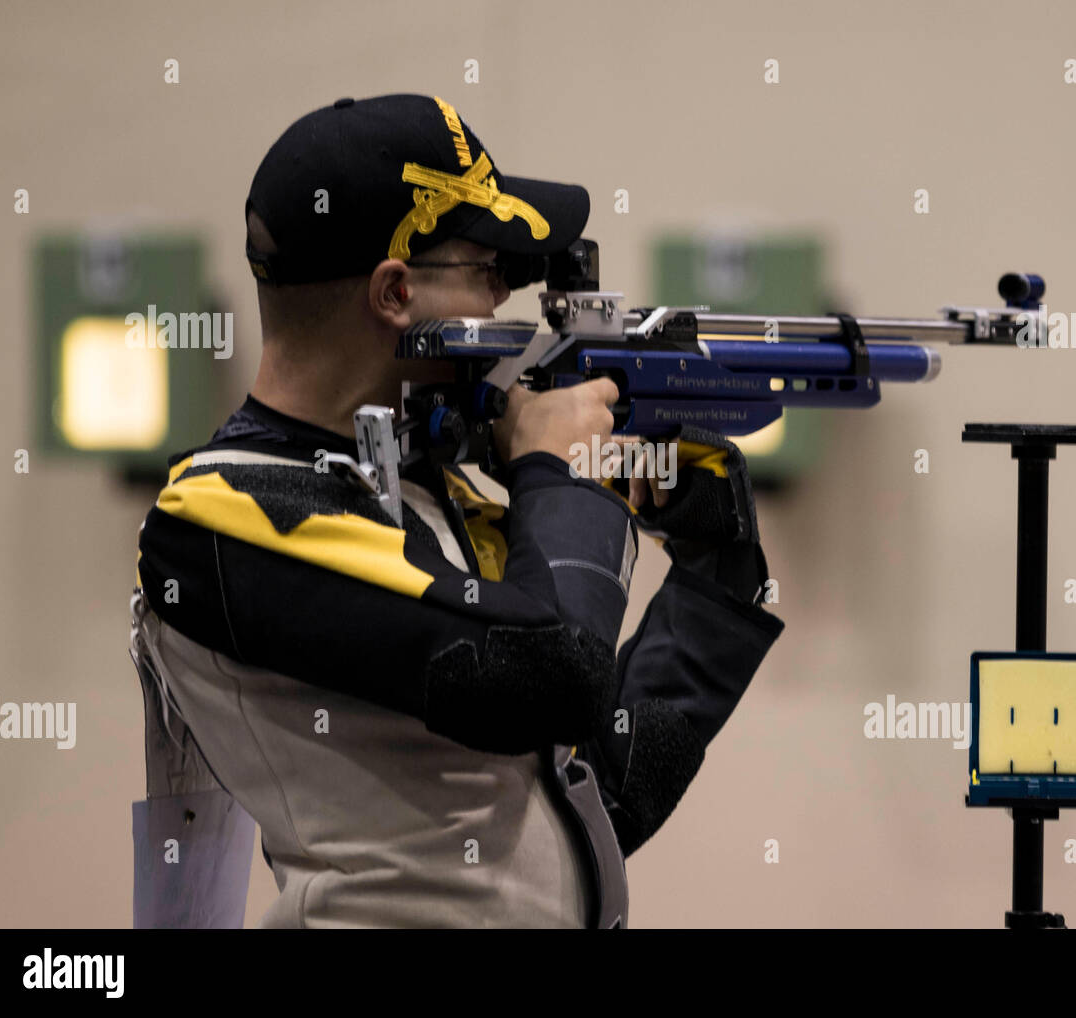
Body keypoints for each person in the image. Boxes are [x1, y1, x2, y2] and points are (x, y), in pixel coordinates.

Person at [129, 93, 785, 929]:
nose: (508, 301)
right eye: (490, 272)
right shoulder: (228, 517)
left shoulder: (423, 492)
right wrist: (560, 473)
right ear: (396, 291)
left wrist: (714, 573)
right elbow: (547, 680)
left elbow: (592, 796)